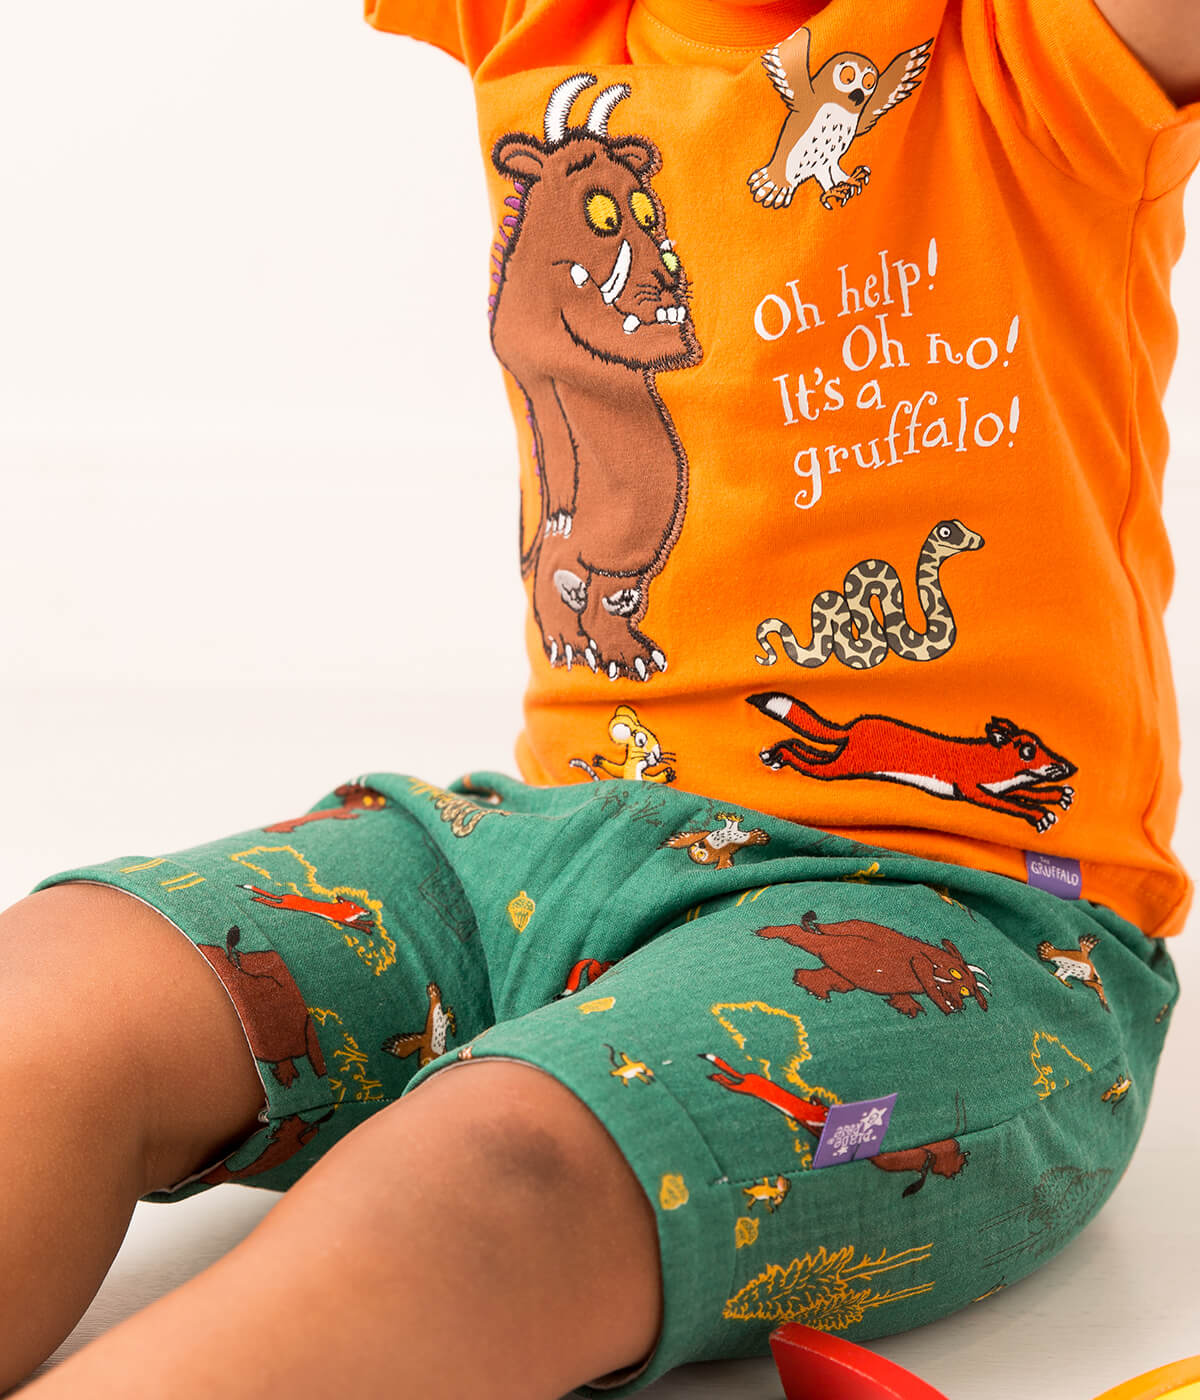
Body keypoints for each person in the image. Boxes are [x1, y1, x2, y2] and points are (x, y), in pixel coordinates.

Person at [5, 1, 1199, 1396]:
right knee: (57, 994)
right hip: (539, 852)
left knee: (495, 1170)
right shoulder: (548, 21)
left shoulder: (1032, 51)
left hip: (969, 923)